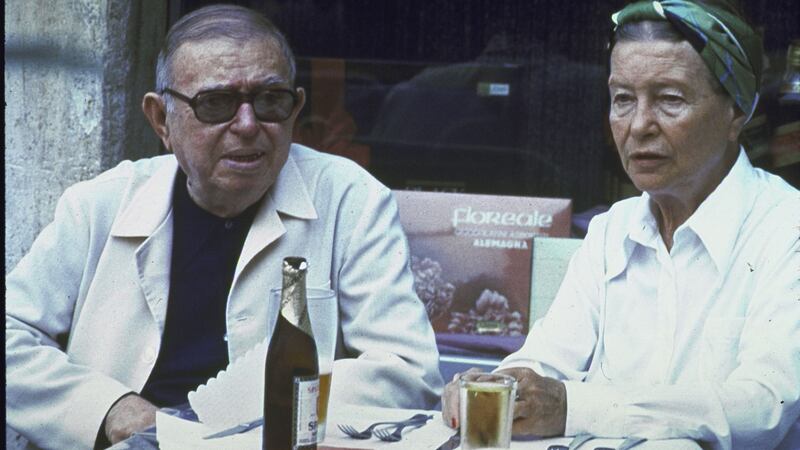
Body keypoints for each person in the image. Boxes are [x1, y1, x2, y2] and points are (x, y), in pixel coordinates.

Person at [5, 4, 443, 449]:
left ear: (296, 111)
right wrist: (112, 410)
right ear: (161, 120)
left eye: (271, 101)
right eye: (216, 104)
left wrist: (212, 419)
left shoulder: (351, 200)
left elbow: (405, 371)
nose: (249, 125)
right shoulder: (100, 205)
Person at [442, 1, 799, 449]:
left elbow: (764, 408)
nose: (639, 125)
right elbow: (547, 361)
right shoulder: (612, 231)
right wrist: (497, 387)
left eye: (670, 99)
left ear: (737, 113)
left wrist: (574, 407)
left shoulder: (787, 231)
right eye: (623, 100)